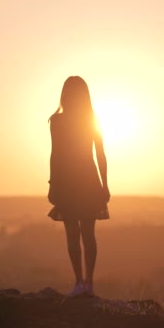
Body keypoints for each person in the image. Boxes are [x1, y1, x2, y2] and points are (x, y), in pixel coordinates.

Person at [47, 76, 110, 298]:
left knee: (79, 234)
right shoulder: (67, 121)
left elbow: (99, 154)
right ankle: (83, 283)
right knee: (81, 234)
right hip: (78, 180)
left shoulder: (68, 121)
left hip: (76, 181)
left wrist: (105, 184)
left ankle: (84, 283)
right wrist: (105, 185)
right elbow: (57, 155)